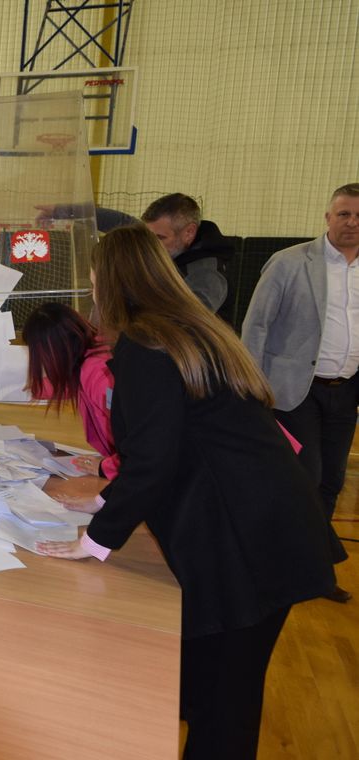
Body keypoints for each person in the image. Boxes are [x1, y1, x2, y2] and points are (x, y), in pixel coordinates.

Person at [35, 225, 336, 760]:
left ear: (107, 279)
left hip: (249, 541)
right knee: (200, 680)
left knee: (226, 704)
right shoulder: (184, 329)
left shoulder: (146, 345)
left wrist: (97, 540)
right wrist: (104, 499)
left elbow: (154, 459)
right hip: (266, 523)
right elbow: (176, 443)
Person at [241, 182, 359, 604]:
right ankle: (280, 564)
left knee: (331, 481)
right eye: (344, 214)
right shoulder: (290, 262)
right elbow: (255, 325)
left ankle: (315, 571)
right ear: (328, 217)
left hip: (346, 391)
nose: (352, 223)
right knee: (305, 478)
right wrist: (252, 387)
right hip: (294, 391)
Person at [22, 302, 118, 480]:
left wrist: (106, 467)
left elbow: (139, 442)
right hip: (118, 463)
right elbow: (64, 385)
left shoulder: (99, 375)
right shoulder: (87, 356)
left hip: (129, 470)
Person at [141, 193, 236, 319]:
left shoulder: (207, 273)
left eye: (160, 238)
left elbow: (186, 321)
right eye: (149, 237)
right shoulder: (172, 255)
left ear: (189, 232)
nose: (151, 245)